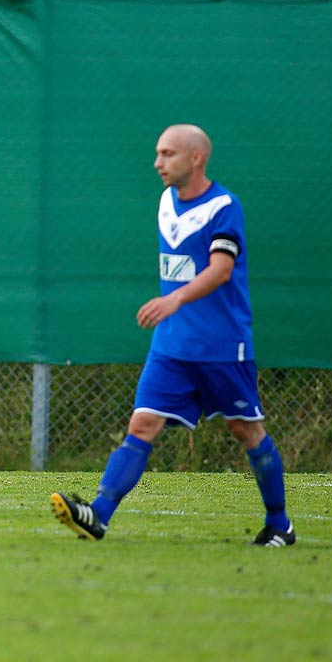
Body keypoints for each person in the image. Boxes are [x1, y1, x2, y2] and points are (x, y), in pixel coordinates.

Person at [52, 125, 294, 546]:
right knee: (142, 424)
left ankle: (280, 524)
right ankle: (98, 515)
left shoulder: (223, 206)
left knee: (246, 432)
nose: (157, 163)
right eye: (158, 153)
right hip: (172, 344)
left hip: (221, 344)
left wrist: (175, 300)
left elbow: (221, 270)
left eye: (167, 154)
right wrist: (174, 311)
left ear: (196, 158)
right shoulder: (166, 201)